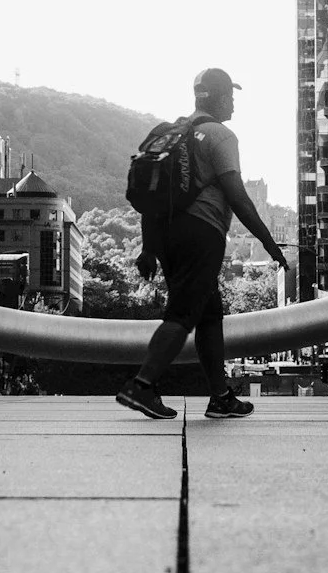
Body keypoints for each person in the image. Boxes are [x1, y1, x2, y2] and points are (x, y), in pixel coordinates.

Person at [117, 67, 288, 423]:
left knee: (209, 314)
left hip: (167, 236)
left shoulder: (173, 134)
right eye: (232, 97)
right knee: (182, 313)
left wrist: (149, 248)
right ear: (221, 97)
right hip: (202, 233)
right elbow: (238, 198)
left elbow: (154, 199)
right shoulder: (220, 135)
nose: (235, 104)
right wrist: (270, 245)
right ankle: (142, 385)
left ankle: (221, 396)